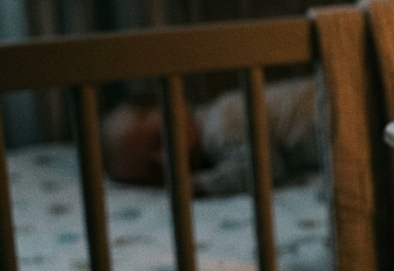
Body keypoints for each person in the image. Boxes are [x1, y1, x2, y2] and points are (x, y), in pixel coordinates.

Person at [101, 77, 319, 197]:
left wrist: (200, 185)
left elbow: (266, 166)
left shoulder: (220, 125)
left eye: (161, 139)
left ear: (174, 105)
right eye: (154, 171)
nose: (166, 160)